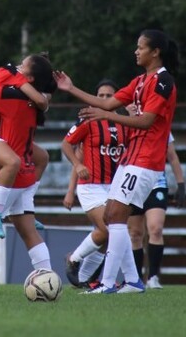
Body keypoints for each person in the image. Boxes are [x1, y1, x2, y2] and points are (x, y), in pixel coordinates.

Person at [54, 29, 178, 294]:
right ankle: (132, 282)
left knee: (115, 218)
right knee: (112, 217)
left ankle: (109, 284)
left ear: (155, 52)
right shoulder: (140, 81)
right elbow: (109, 103)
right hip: (131, 159)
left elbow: (146, 121)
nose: (136, 51)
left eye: (141, 47)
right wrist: (70, 88)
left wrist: (106, 116)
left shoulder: (163, 82)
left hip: (146, 160)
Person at [0, 55, 56, 293]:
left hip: (4, 166)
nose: (18, 64)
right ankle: (49, 280)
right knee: (28, 230)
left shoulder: (11, 93)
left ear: (28, 76)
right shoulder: (34, 99)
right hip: (25, 170)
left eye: (23, 64)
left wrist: (15, 81)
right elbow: (43, 100)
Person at [62, 79, 130, 287]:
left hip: (115, 186)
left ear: (116, 100)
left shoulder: (125, 124)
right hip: (91, 186)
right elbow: (66, 144)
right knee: (109, 229)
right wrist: (76, 166)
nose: (103, 99)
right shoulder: (88, 120)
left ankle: (84, 279)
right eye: (100, 95)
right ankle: (73, 259)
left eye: (108, 96)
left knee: (108, 235)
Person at [128, 132, 185, 289]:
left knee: (156, 228)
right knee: (135, 234)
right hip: (133, 185)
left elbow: (172, 156)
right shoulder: (127, 124)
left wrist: (181, 185)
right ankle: (136, 278)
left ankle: (153, 277)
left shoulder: (162, 125)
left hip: (156, 184)